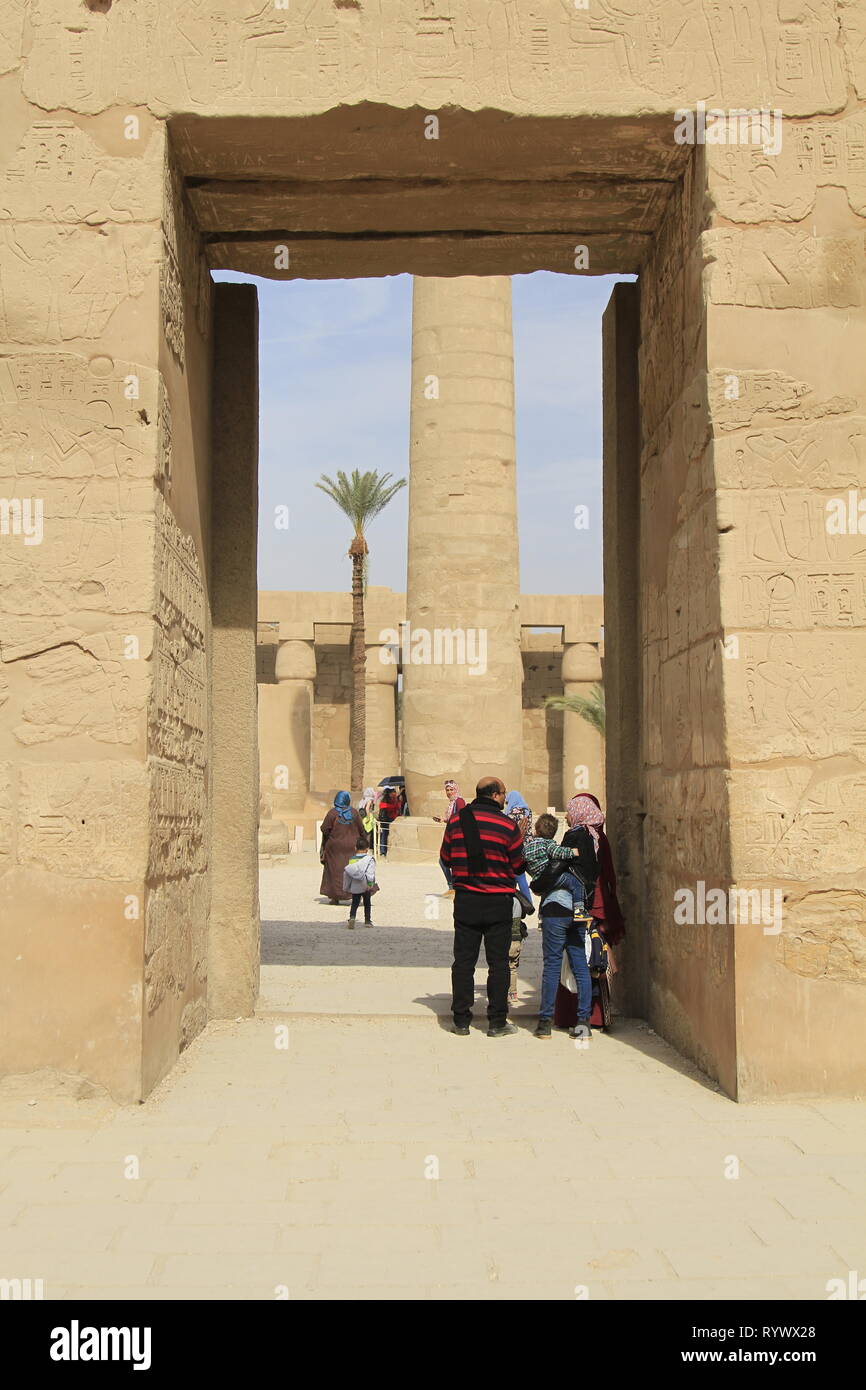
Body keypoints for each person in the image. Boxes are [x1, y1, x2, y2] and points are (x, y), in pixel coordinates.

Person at [440, 776, 527, 1038]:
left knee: (463, 962)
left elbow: (445, 858)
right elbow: (519, 867)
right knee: (498, 963)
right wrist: (519, 839)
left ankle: (461, 1021)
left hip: (466, 900)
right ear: (496, 795)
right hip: (498, 902)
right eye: (503, 793)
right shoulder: (507, 826)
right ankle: (497, 1022)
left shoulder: (456, 821)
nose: (505, 797)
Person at [554, 793, 626, 1033]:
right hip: (597, 905)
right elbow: (609, 875)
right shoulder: (600, 838)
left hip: (578, 905)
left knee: (577, 958)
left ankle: (570, 1015)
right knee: (595, 959)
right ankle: (596, 1017)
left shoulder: (573, 837)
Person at [527, 811, 597, 1041]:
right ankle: (583, 1024)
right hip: (576, 913)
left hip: (554, 910)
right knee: (580, 965)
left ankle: (545, 1024)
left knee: (552, 966)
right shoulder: (582, 846)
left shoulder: (537, 848)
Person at [504, 789, 535, 1002]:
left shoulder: (510, 813)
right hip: (525, 849)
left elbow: (508, 832)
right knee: (522, 877)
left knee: (512, 877)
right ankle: (529, 903)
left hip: (513, 850)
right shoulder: (527, 810)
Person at [319, 791, 367, 904]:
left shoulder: (332, 813)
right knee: (355, 870)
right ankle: (357, 893)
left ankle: (335, 897)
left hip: (335, 848)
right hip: (352, 847)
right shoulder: (354, 813)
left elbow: (325, 829)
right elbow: (362, 830)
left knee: (335, 871)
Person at [433, 779, 465, 894]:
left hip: (457, 837)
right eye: (447, 790)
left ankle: (454, 887)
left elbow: (460, 818)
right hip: (451, 835)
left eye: (451, 789)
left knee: (444, 861)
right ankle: (453, 887)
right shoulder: (452, 803)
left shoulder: (459, 801)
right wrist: (443, 820)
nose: (449, 792)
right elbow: (454, 819)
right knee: (445, 861)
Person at [343, 834, 379, 928]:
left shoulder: (352, 860)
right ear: (367, 849)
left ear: (355, 848)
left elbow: (350, 873)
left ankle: (352, 918)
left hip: (355, 884)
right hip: (365, 884)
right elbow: (370, 873)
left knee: (355, 902)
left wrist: (347, 886)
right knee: (367, 903)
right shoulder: (369, 860)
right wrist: (370, 883)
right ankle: (367, 921)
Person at [377, 786, 400, 856]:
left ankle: (384, 850)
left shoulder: (390, 800)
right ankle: (383, 850)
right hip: (386, 820)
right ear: (389, 793)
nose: (394, 793)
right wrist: (396, 804)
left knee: (385, 835)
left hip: (389, 820)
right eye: (393, 792)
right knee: (384, 835)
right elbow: (391, 807)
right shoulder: (385, 802)